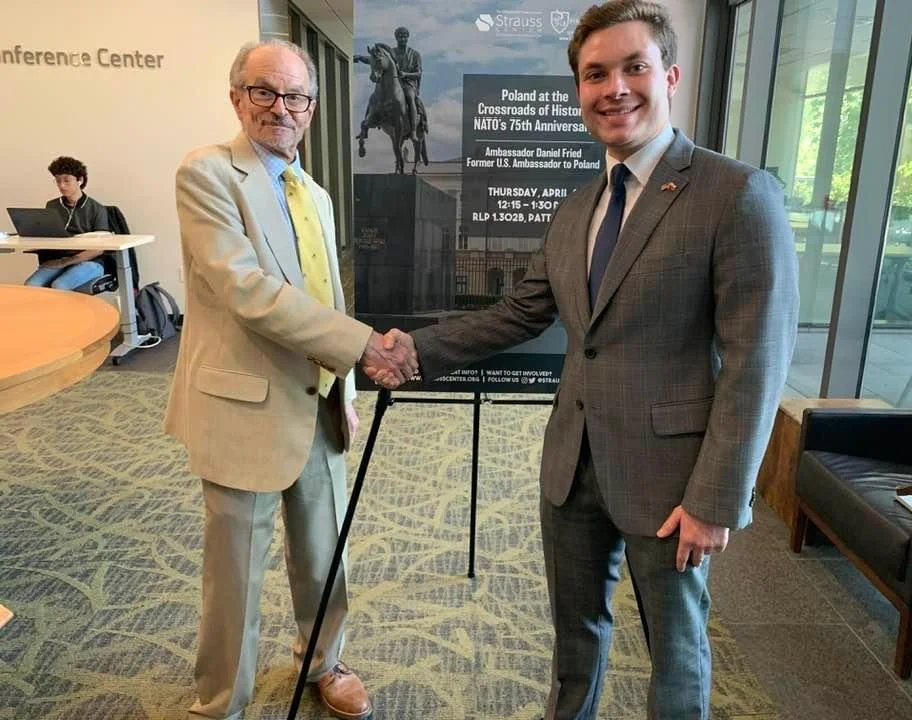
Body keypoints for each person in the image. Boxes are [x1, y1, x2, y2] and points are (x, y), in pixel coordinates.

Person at [366, 1, 799, 717]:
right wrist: (413, 350)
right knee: (575, 641)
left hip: (673, 484)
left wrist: (718, 497)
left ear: (671, 75)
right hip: (571, 465)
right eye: (595, 74)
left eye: (634, 67)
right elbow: (519, 312)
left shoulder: (736, 193)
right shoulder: (579, 207)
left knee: (676, 653)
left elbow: (758, 359)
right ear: (579, 92)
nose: (615, 88)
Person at [163, 39, 415, 720]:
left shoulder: (316, 194)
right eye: (264, 91)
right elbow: (246, 290)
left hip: (320, 404)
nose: (281, 108)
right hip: (242, 406)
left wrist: (349, 389)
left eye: (296, 96)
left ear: (312, 106)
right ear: (237, 97)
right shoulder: (208, 175)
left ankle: (324, 662)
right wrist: (364, 347)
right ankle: (221, 703)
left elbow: (327, 293)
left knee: (324, 556)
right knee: (236, 578)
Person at [25, 156, 110, 290]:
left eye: (66, 180)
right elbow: (48, 237)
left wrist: (65, 262)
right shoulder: (52, 206)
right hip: (59, 260)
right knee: (31, 286)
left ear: (80, 180)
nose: (61, 185)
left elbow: (98, 249)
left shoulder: (97, 209)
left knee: (59, 285)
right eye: (58, 181)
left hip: (90, 262)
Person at [353, 26, 426, 136]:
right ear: (396, 38)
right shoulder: (391, 52)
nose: (402, 39)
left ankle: (413, 131)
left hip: (407, 84)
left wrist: (405, 74)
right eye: (400, 36)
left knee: (410, 98)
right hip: (391, 84)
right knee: (374, 97)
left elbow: (419, 73)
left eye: (404, 36)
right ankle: (365, 128)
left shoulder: (415, 54)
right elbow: (376, 60)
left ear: (408, 38)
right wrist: (360, 58)